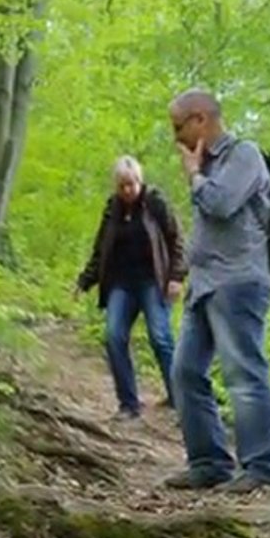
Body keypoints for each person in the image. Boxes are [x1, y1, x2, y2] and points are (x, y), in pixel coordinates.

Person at [164, 88, 270, 494]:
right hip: (204, 285)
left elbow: (221, 203)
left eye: (178, 126)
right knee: (184, 372)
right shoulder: (207, 163)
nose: (176, 136)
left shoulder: (243, 156)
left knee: (243, 372)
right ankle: (209, 462)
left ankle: (265, 467)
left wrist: (195, 176)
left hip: (238, 281)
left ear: (201, 119)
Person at [75, 155, 187, 421]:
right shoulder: (112, 209)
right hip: (121, 283)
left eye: (131, 184)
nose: (127, 190)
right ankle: (128, 404)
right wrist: (85, 280)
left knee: (160, 337)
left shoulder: (155, 203)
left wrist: (176, 276)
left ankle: (180, 399)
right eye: (122, 185)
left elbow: (177, 240)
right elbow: (101, 248)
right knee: (114, 336)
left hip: (152, 281)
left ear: (140, 181)